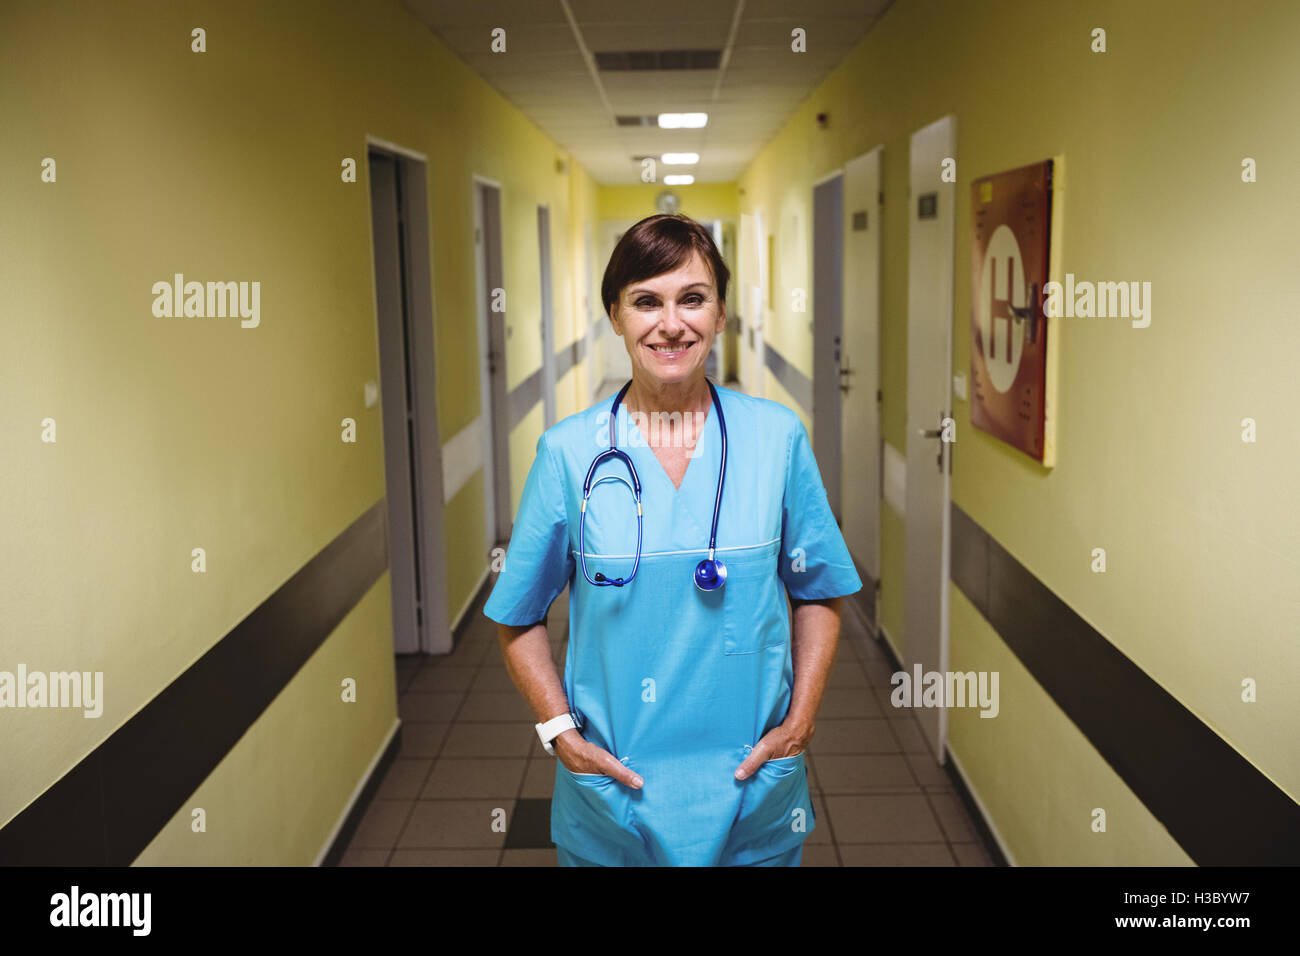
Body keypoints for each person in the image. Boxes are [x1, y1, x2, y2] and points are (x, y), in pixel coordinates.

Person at [483, 213, 862, 866]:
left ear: (720, 315)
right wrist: (560, 734)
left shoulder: (776, 439)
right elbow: (518, 619)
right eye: (646, 301)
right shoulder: (568, 454)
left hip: (752, 791)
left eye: (693, 298)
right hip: (615, 795)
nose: (671, 323)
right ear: (616, 315)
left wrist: (800, 724)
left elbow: (819, 592)